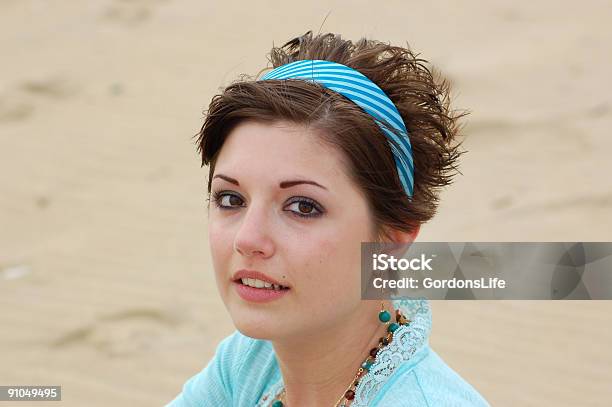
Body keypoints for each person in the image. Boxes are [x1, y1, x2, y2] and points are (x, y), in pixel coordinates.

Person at [167, 31, 489, 406]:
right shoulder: (249, 363)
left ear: (393, 237)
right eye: (231, 198)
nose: (248, 238)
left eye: (303, 206)